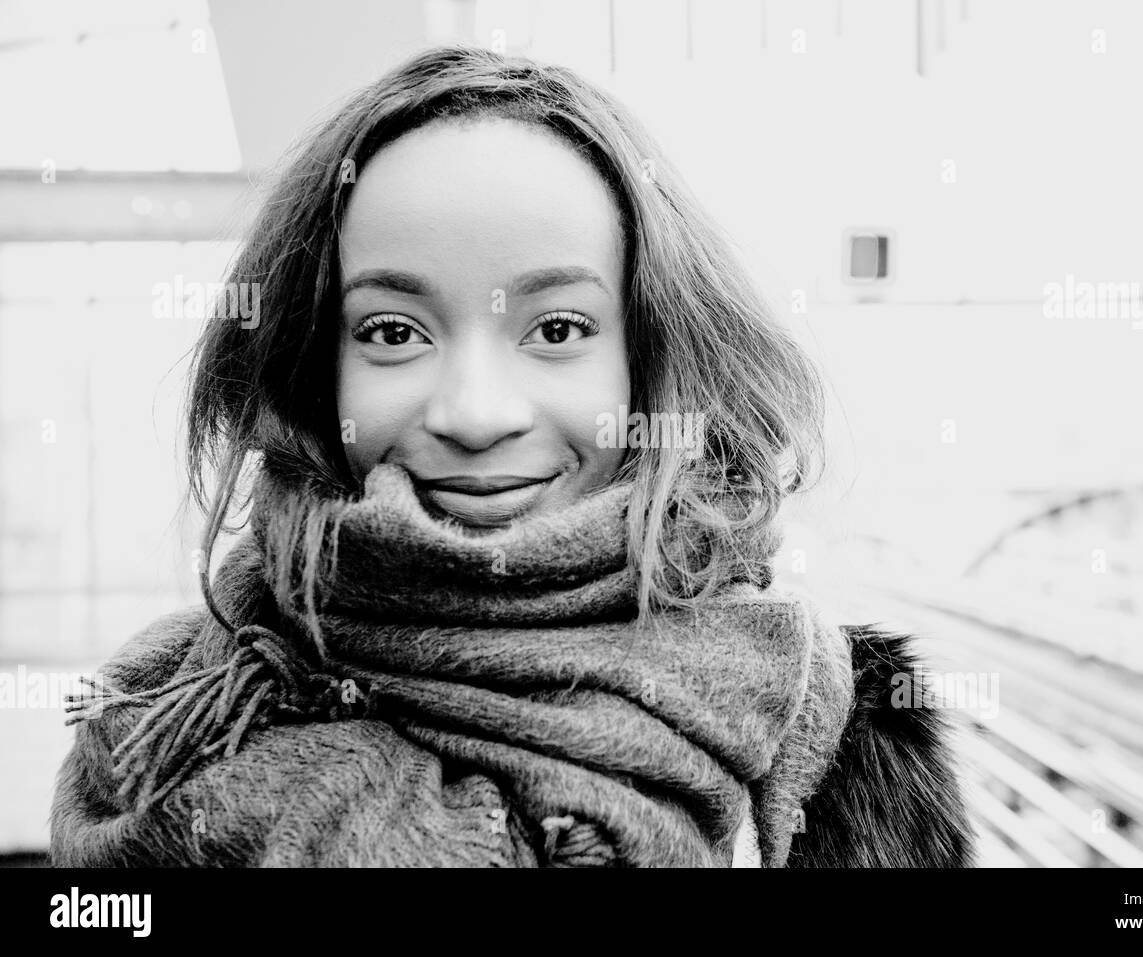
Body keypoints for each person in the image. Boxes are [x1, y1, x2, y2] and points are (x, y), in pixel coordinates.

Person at [50, 45, 972, 867]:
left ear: (649, 364)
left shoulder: (837, 736)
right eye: (394, 330)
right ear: (311, 370)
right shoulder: (173, 717)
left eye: (558, 327)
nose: (476, 413)